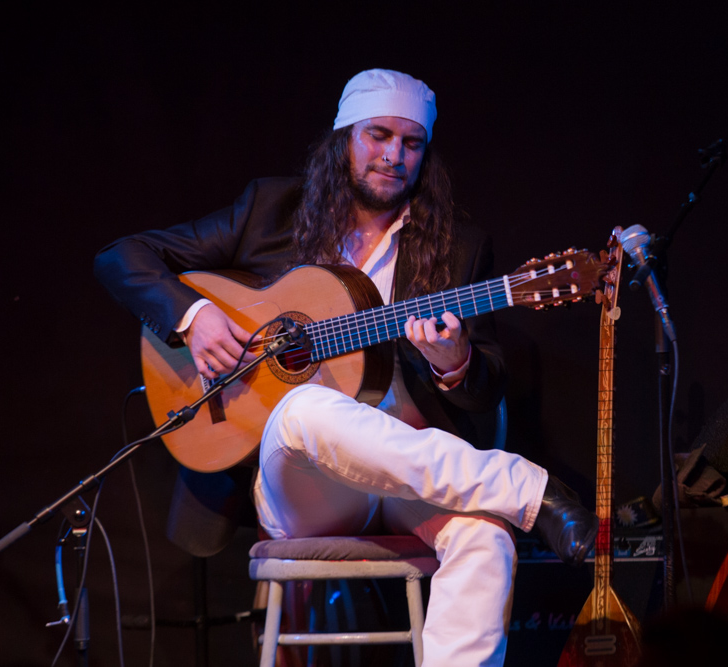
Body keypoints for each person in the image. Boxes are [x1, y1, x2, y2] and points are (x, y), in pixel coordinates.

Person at [94, 69, 598, 666]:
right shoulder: (269, 210)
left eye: (411, 144)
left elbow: (485, 383)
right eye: (378, 135)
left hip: (418, 472)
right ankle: (528, 489)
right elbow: (121, 257)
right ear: (344, 139)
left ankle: (512, 501)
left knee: (485, 539)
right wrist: (195, 315)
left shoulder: (459, 246)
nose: (394, 155)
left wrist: (454, 362)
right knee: (305, 406)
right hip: (304, 481)